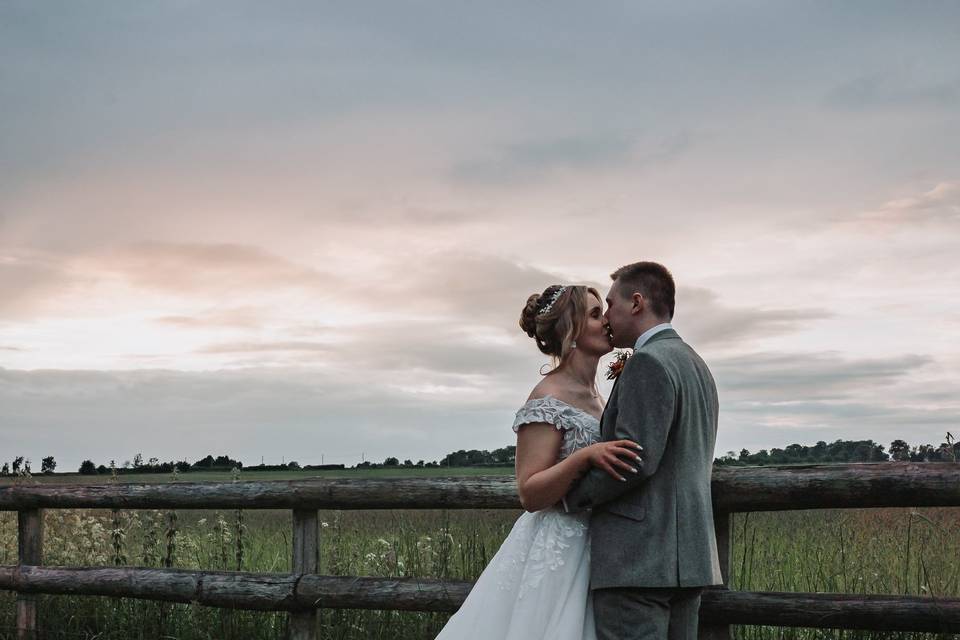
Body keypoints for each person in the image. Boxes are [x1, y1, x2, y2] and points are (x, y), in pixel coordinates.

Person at [434, 284, 643, 640]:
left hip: (601, 546)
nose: (606, 320)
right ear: (572, 331)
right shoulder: (548, 397)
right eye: (595, 314)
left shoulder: (599, 394)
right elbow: (529, 493)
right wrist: (585, 455)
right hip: (558, 547)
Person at [563, 261, 723, 640]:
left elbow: (634, 460)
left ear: (637, 303)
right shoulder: (696, 364)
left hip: (638, 560)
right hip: (690, 559)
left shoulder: (648, 362)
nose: (608, 318)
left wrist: (571, 496)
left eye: (612, 304)